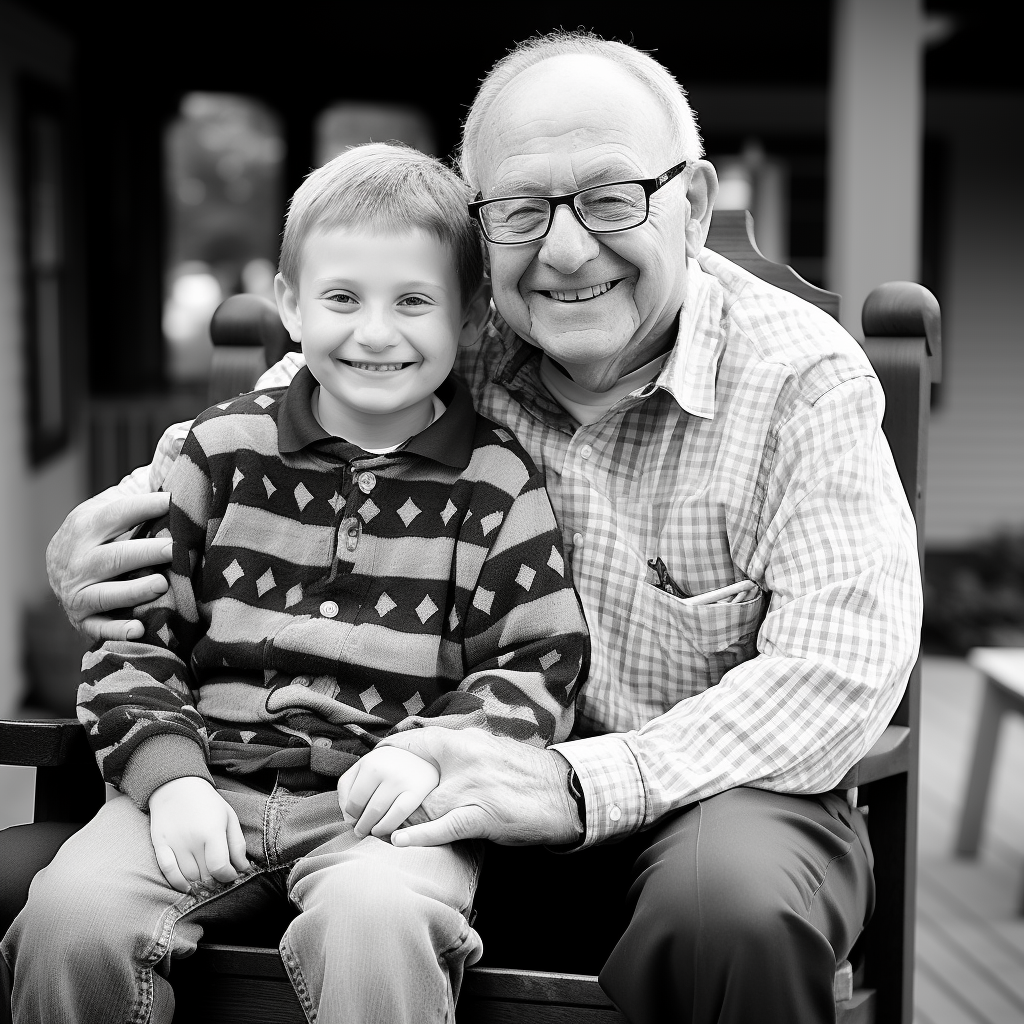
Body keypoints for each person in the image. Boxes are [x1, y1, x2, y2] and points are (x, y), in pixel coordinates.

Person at [40, 30, 922, 1024]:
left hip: (704, 801)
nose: (567, 248)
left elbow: (840, 670)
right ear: (474, 228)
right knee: (61, 892)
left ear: (694, 202)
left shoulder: (797, 380)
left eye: (610, 195)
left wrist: (578, 783)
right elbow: (274, 418)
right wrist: (101, 542)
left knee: (731, 910)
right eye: (521, 208)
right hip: (423, 800)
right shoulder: (448, 330)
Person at [4, 143, 589, 1024]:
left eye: (415, 302)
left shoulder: (497, 488)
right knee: (71, 917)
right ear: (289, 303)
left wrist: (426, 755)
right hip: (205, 785)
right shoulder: (216, 456)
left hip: (385, 808)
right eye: (343, 298)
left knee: (379, 923)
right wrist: (170, 781)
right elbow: (133, 637)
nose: (376, 332)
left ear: (471, 320)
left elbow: (539, 665)